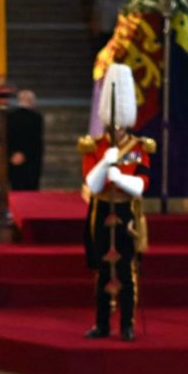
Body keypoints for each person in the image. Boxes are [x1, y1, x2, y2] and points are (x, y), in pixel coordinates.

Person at [80, 64, 153, 342]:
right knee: (101, 270)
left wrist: (118, 176)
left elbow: (141, 186)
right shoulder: (94, 145)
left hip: (126, 213)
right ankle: (101, 323)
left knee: (125, 271)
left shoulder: (139, 147)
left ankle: (127, 324)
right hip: (99, 211)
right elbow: (92, 184)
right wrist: (104, 163)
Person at [7, 90, 45, 191]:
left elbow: (7, 138)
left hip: (13, 158)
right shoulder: (36, 118)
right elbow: (36, 140)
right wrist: (25, 154)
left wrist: (13, 154)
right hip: (31, 160)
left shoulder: (10, 116)